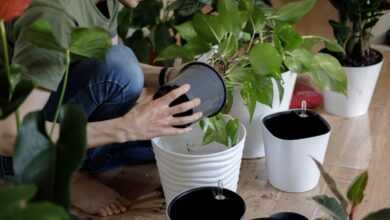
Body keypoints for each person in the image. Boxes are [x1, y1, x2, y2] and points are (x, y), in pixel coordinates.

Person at [0, 0, 202, 217]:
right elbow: (8, 136)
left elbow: (107, 60)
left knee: (164, 140)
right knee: (124, 72)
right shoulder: (55, 14)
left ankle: (87, 156)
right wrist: (126, 128)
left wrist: (167, 76)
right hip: (15, 154)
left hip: (53, 115)